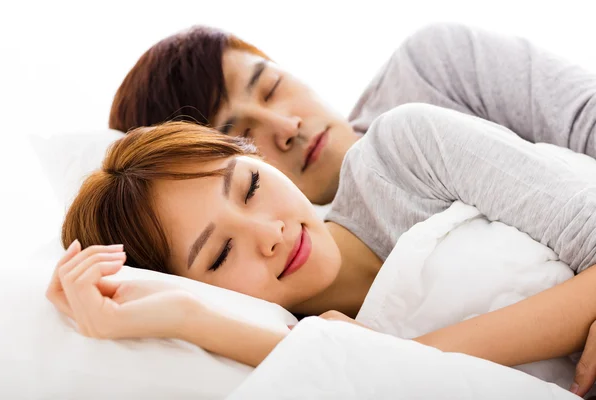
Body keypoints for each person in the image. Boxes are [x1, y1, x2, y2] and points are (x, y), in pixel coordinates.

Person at [50, 103, 596, 396]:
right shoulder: (296, 353)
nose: (269, 233)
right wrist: (182, 314)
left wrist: (397, 352)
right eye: (218, 255)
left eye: (251, 187)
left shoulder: (403, 152)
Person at [109, 22, 596, 205]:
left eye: (272, 86)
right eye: (241, 139)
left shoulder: (432, 68)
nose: (286, 127)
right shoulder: (301, 283)